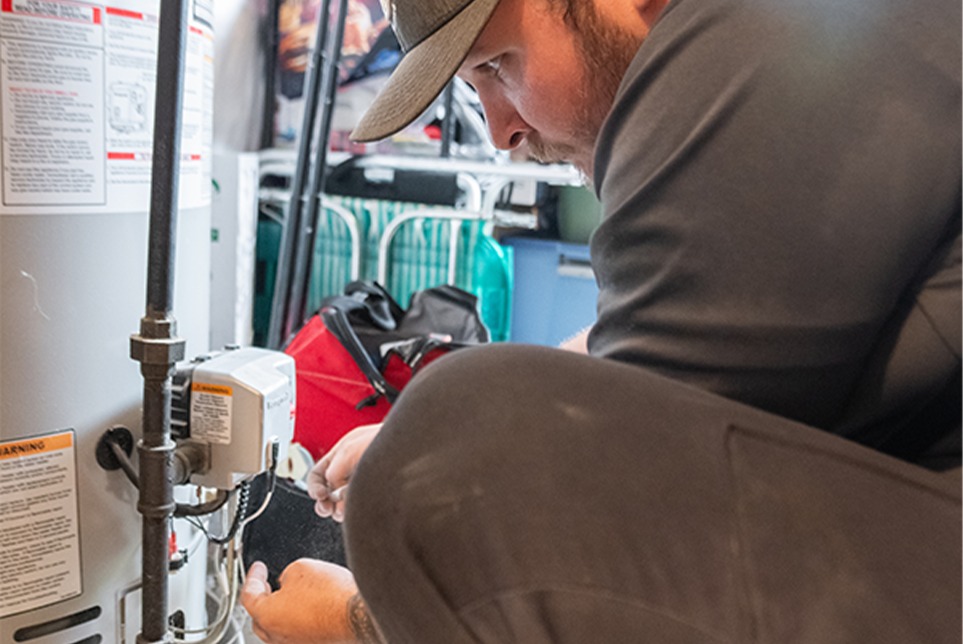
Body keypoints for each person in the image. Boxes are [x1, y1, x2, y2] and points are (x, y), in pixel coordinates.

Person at [241, 0, 962, 641]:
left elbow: (636, 489)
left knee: (445, 434)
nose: (499, 130)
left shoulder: (750, 52)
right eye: (473, 89)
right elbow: (643, 373)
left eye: (498, 64)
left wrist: (361, 621)